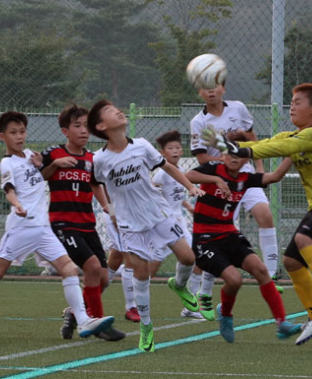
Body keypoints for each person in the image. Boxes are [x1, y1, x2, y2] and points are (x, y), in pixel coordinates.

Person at [207, 83, 312, 345]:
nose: (292, 105)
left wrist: (237, 148)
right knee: (292, 261)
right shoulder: (292, 136)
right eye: (291, 101)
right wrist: (228, 143)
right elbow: (268, 143)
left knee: (303, 240)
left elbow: (271, 150)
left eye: (298, 102)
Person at [0, 111, 114, 340]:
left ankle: (84, 320)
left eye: (22, 132)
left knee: (69, 269)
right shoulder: (7, 162)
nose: (19, 136)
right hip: (21, 227)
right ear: (2, 136)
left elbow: (42, 175)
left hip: (43, 228)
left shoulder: (29, 155)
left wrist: (44, 164)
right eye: (13, 133)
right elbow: (9, 189)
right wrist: (16, 204)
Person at [87, 100, 203, 352]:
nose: (118, 111)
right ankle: (146, 327)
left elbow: (168, 167)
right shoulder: (100, 159)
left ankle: (179, 285)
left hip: (158, 213)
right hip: (129, 224)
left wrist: (190, 186)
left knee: (188, 257)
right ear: (101, 125)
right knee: (141, 274)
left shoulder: (141, 145)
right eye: (110, 111)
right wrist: (108, 207)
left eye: (116, 108)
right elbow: (95, 183)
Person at [186, 154, 300, 343]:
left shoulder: (245, 178)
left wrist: (293, 153)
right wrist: (216, 180)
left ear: (245, 161)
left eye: (239, 157)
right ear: (223, 156)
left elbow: (275, 176)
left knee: (261, 270)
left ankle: (282, 323)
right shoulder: (213, 168)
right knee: (235, 280)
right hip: (205, 240)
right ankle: (226, 314)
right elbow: (188, 175)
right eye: (230, 155)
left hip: (229, 235)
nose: (234, 159)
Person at [40, 104, 125, 341]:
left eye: (86, 126)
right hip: (62, 223)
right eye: (77, 126)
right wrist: (54, 166)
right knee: (92, 268)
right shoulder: (53, 154)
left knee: (104, 277)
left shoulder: (91, 159)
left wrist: (109, 208)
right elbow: (37, 176)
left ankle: (75, 315)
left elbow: (96, 184)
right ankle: (98, 325)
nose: (83, 131)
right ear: (65, 130)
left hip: (86, 223)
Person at [190, 83, 282, 292]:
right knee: (219, 232)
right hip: (220, 179)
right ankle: (199, 291)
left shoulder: (238, 108)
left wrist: (258, 167)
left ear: (223, 88)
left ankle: (272, 274)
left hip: (245, 172)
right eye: (206, 88)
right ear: (200, 93)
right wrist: (227, 145)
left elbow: (252, 140)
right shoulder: (198, 122)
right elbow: (203, 159)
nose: (211, 91)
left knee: (265, 215)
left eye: (215, 86)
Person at [151, 130, 215, 321]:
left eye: (178, 147)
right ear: (162, 153)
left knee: (196, 258)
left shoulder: (179, 173)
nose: (176, 151)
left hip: (178, 224)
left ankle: (189, 305)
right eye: (170, 148)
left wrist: (188, 207)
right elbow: (153, 192)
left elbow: (176, 196)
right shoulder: (162, 174)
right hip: (163, 226)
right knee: (148, 271)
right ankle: (132, 296)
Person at [104, 217, 140, 323]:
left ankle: (86, 302)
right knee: (131, 259)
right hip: (118, 218)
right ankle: (130, 307)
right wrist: (111, 212)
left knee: (115, 258)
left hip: (130, 218)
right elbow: (107, 201)